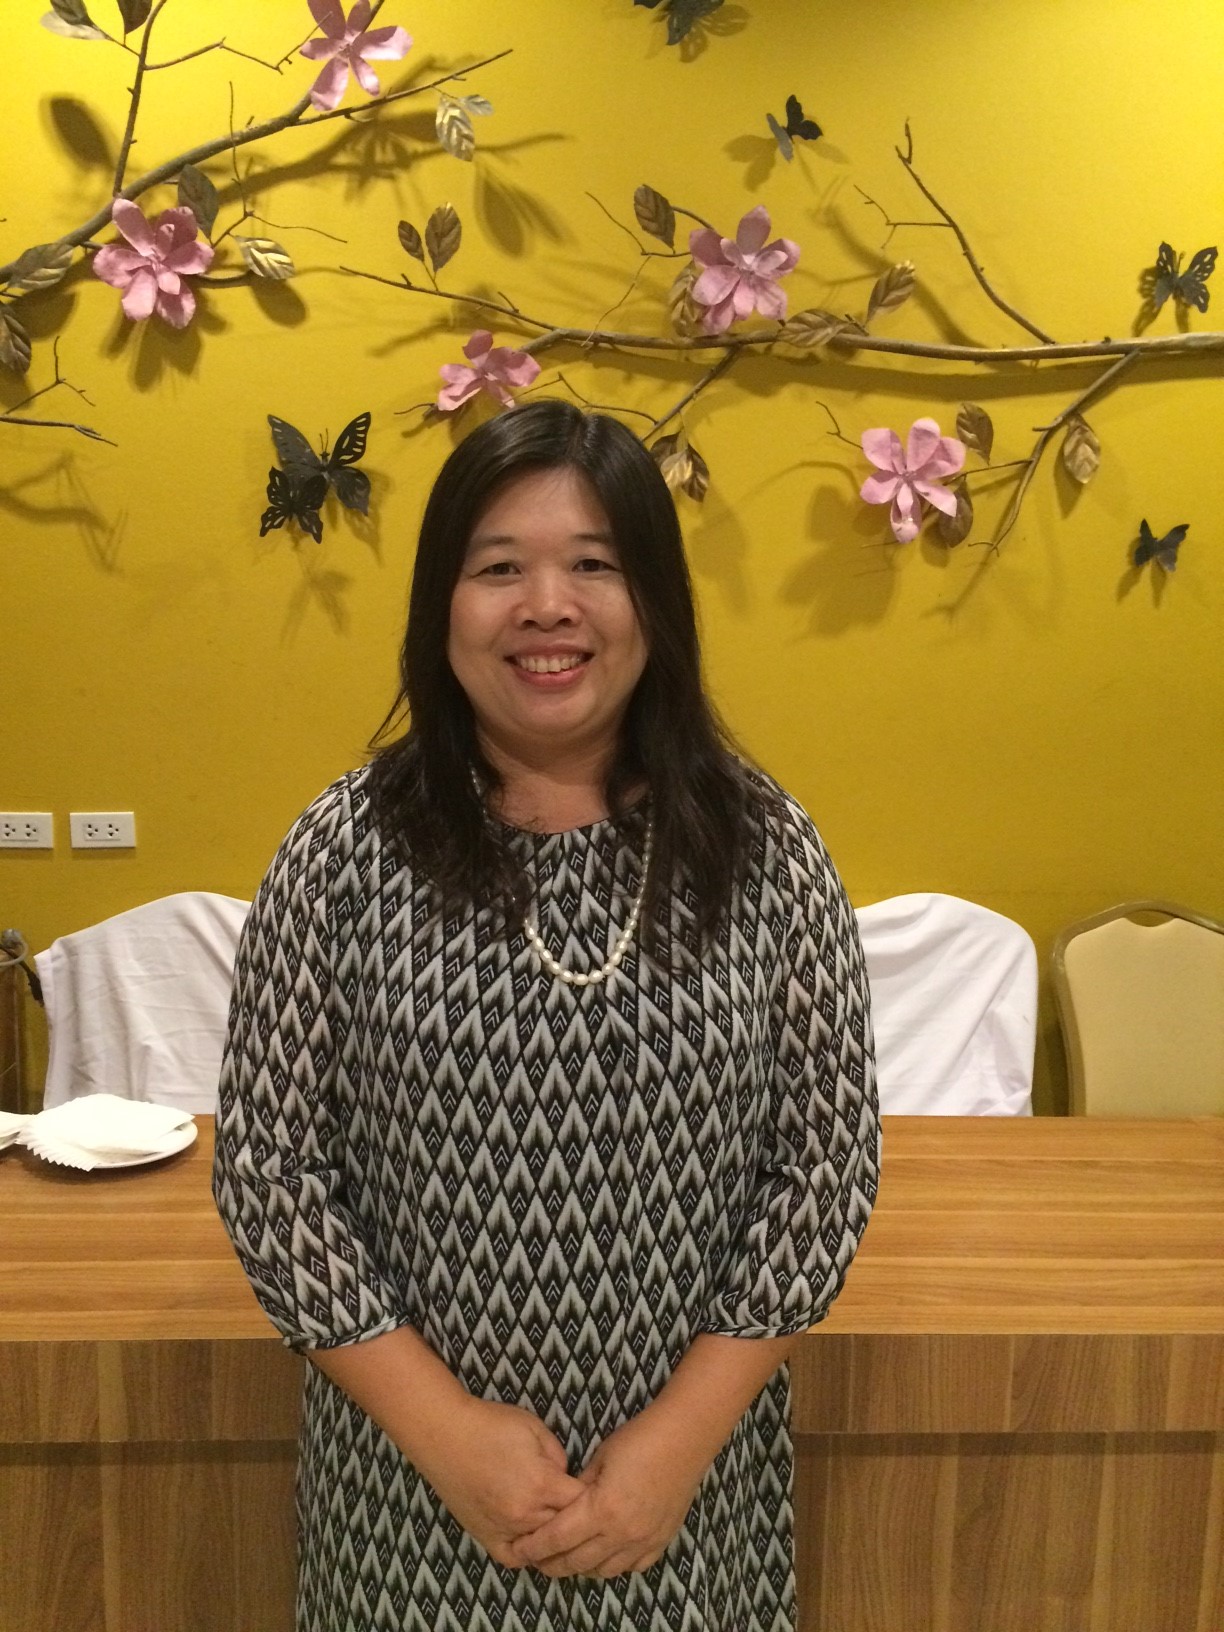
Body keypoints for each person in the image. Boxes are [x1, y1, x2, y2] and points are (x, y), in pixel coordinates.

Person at [213, 399, 879, 1632]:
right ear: (442, 605)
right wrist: (446, 1433)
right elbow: (271, 1174)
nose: (547, 607)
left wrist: (674, 1446)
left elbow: (823, 1171)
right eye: (499, 569)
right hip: (409, 1499)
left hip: (686, 1504)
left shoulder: (764, 849)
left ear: (655, 602)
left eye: (594, 565)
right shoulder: (342, 850)